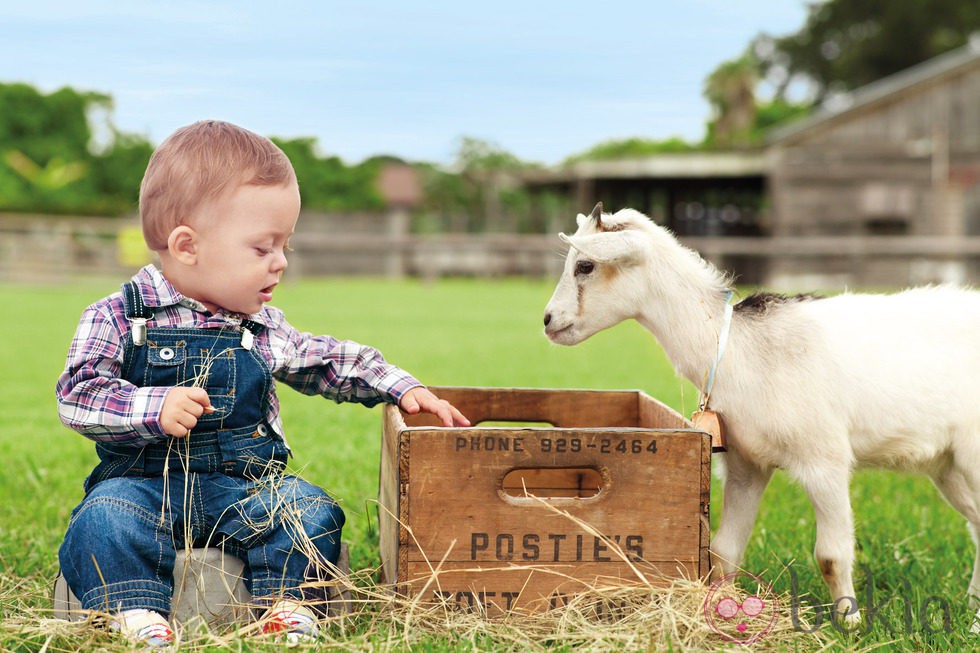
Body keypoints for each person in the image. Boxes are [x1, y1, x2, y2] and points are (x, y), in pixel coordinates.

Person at [55, 120, 469, 647]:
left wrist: (399, 386)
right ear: (187, 245)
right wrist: (150, 405)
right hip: (143, 487)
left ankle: (285, 607)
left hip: (242, 489)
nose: (281, 262)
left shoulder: (260, 325)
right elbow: (77, 394)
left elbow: (325, 359)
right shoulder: (118, 316)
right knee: (102, 521)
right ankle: (137, 613)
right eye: (262, 248)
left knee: (309, 510)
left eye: (285, 245)